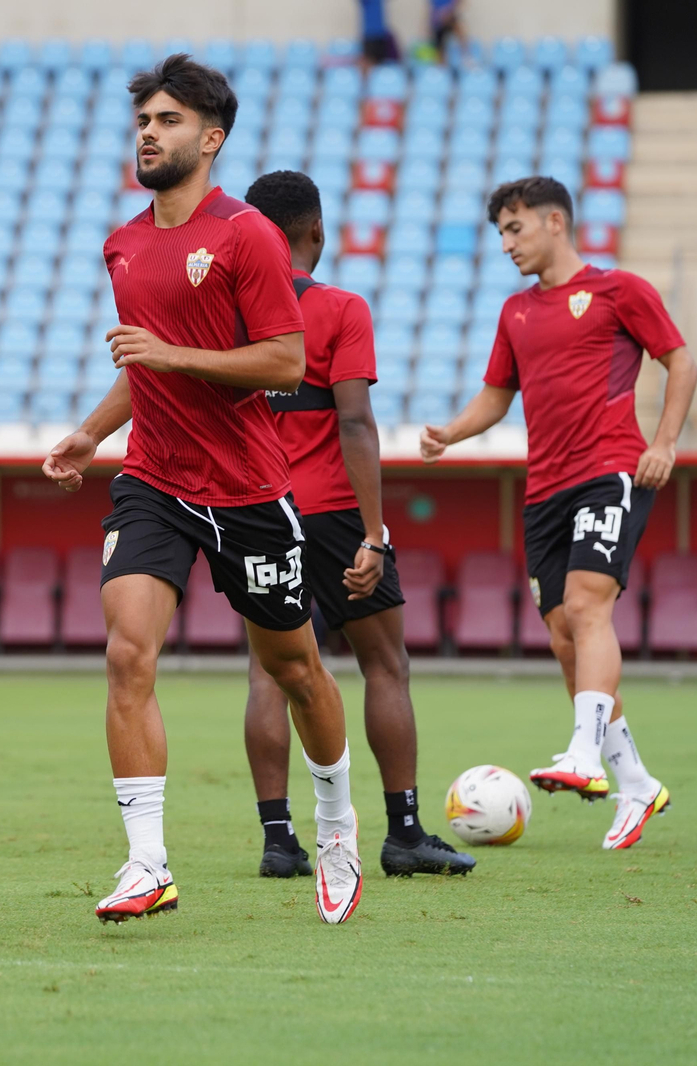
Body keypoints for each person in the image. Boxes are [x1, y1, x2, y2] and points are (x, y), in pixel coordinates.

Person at [43, 55, 362, 925]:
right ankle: (147, 864)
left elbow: (285, 362)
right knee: (127, 654)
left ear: (211, 138)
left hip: (249, 489)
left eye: (168, 121)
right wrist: (93, 431)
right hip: (153, 478)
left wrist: (171, 357)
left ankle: (336, 824)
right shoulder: (123, 243)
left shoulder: (247, 235)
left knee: (295, 669)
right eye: (143, 120)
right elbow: (144, 366)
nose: (149, 133)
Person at [420, 176, 697, 850]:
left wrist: (663, 443)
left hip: (610, 469)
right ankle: (636, 783)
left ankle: (581, 754)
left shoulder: (619, 291)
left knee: (585, 606)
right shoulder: (515, 312)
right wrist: (450, 433)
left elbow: (681, 363)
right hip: (544, 490)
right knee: (564, 637)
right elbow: (496, 397)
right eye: (501, 233)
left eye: (515, 228)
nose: (506, 244)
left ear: (555, 222)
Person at [241, 170, 475, 879]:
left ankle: (278, 841)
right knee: (384, 664)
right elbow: (354, 421)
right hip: (335, 513)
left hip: (257, 511)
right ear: (317, 229)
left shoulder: (229, 318)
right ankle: (403, 834)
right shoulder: (340, 308)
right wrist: (375, 533)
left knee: (268, 673)